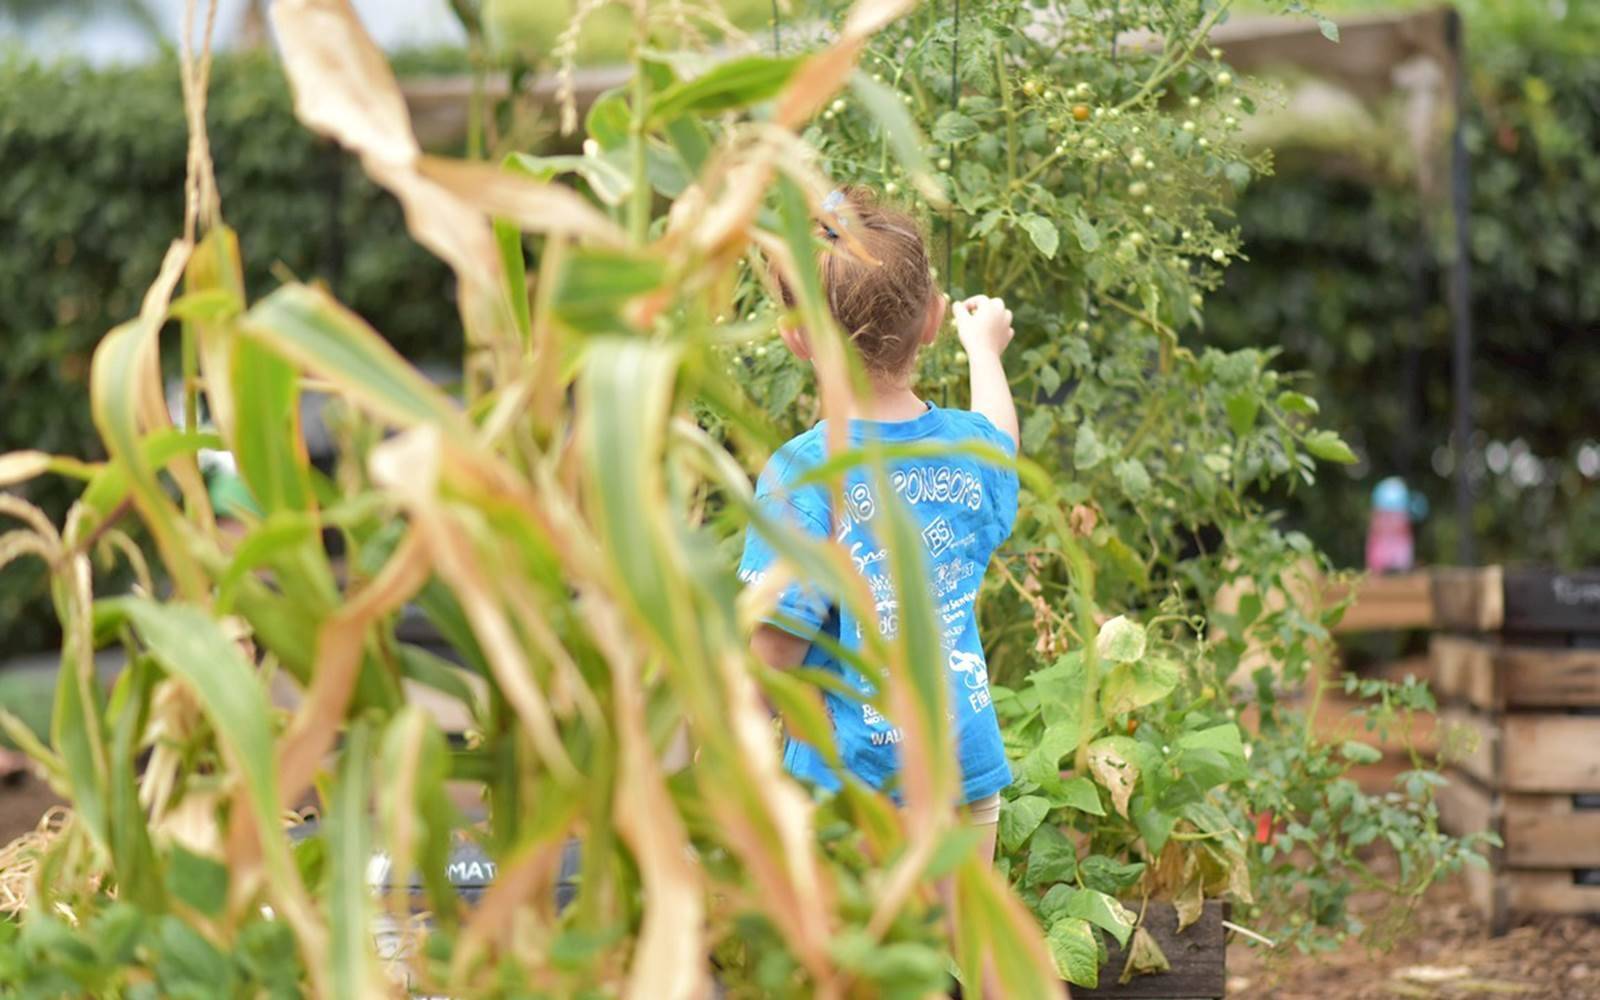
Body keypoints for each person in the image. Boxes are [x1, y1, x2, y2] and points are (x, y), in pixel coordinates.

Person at [739, 185, 1020, 866]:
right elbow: (1001, 440)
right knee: (957, 930)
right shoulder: (968, 451)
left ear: (795, 336)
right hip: (964, 773)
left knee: (856, 939)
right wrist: (984, 351)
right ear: (932, 319)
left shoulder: (806, 476)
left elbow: (771, 659)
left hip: (852, 790)